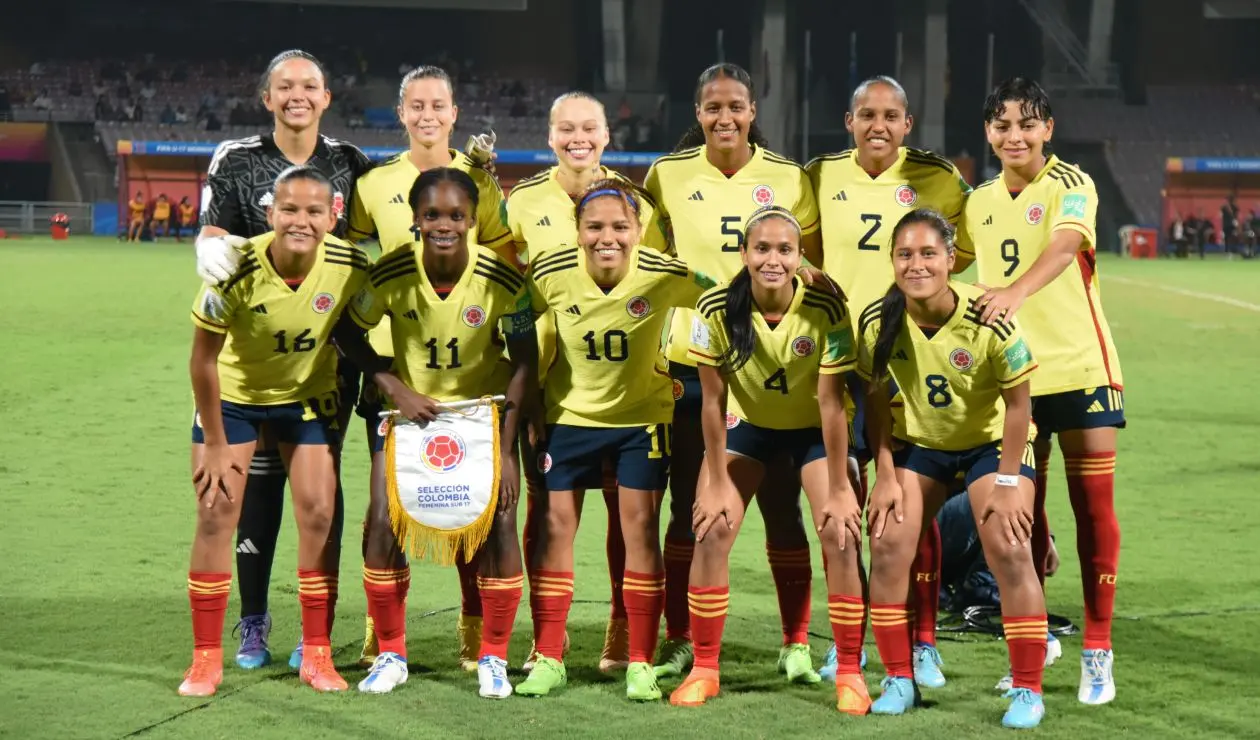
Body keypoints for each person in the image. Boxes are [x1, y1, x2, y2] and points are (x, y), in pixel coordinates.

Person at [192, 49, 374, 672]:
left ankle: (318, 630)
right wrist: (207, 252)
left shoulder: (350, 162)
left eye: (310, 86)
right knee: (253, 484)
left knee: (320, 493)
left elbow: (368, 245)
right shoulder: (236, 158)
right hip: (252, 345)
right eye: (285, 86)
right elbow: (213, 232)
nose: (298, 95)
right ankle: (251, 618)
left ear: (327, 97)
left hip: (325, 358)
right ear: (266, 97)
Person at [643, 62, 825, 684]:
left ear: (753, 112)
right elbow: (649, 258)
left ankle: (796, 641)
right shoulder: (666, 175)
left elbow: (810, 261)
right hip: (695, 359)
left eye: (737, 106)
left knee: (781, 504)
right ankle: (681, 638)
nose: (725, 117)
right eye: (713, 106)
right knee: (692, 505)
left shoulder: (787, 177)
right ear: (697, 113)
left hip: (772, 359)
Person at [333, 167, 538, 699]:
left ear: (472, 219)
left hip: (480, 418)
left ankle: (493, 656)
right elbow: (346, 332)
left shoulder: (507, 281)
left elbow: (525, 363)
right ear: (415, 220)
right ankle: (391, 652)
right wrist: (392, 385)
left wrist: (508, 450)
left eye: (455, 215)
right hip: (408, 419)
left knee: (498, 526)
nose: (443, 224)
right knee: (382, 522)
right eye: (431, 215)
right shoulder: (388, 273)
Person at [513, 180, 715, 701]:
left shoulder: (666, 274)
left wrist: (796, 277)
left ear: (639, 231)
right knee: (556, 528)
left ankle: (640, 662)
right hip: (568, 419)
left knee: (641, 530)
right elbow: (514, 321)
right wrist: (530, 396)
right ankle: (550, 657)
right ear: (577, 232)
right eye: (595, 227)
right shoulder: (551, 272)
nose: (608, 237)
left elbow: (726, 293)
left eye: (620, 227)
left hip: (641, 421)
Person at [958, 78, 1124, 705]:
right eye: (1001, 126)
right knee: (1017, 516)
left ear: (1048, 129)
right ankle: (1037, 637)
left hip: (1081, 369)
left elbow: (1065, 245)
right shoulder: (979, 200)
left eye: (1027, 124)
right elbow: (952, 262)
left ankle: (1099, 650)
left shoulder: (1071, 184)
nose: (1014, 136)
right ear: (988, 134)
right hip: (1014, 381)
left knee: (1093, 508)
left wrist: (1016, 293)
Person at [345, 65, 515, 672]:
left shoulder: (479, 181)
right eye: (415, 104)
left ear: (454, 112)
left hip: (472, 375)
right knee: (385, 511)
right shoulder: (374, 182)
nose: (427, 114)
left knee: (477, 511)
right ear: (401, 111)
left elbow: (506, 252)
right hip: (398, 374)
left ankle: (478, 640)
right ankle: (381, 635)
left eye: (437, 104)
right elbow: (347, 251)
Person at [807, 75, 974, 689]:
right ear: (848, 120)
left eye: (891, 115)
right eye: (866, 114)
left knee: (910, 508)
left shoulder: (939, 178)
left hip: (906, 362)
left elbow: (959, 257)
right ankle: (847, 642)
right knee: (841, 508)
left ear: (909, 123)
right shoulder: (819, 175)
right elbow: (802, 250)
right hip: (837, 362)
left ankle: (923, 643)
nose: (878, 125)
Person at [671, 206, 866, 714]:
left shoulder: (826, 307)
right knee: (710, 527)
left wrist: (843, 487)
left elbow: (830, 404)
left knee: (839, 532)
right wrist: (714, 480)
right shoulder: (713, 308)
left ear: (801, 257)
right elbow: (711, 403)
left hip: (811, 433)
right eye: (762, 248)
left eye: (785, 249)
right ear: (744, 254)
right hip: (749, 428)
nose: (772, 259)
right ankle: (705, 668)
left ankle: (849, 671)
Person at [860, 208, 1047, 729]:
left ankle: (1028, 689)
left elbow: (1019, 405)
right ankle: (900, 678)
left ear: (949, 259)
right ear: (892, 260)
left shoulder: (988, 314)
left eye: (928, 254)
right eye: (905, 254)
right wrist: (885, 471)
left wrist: (1009, 483)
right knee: (887, 542)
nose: (916, 265)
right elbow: (874, 397)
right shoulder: (879, 320)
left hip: (993, 446)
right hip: (925, 446)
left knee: (1009, 546)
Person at [508, 91, 666, 674]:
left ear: (606, 135)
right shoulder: (521, 200)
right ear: (549, 136)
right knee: (546, 517)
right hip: (553, 386)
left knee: (629, 518)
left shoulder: (639, 203)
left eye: (590, 127)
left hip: (626, 385)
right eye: (566, 128)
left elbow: (658, 283)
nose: (579, 137)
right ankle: (546, 638)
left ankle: (622, 635)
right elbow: (510, 293)